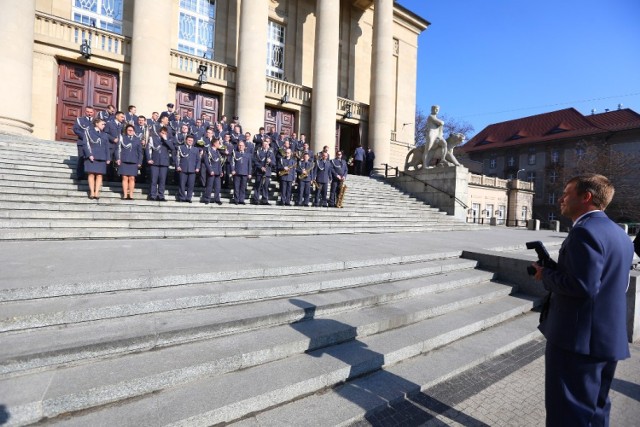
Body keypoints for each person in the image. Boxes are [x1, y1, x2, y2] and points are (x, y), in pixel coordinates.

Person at [531, 174, 634, 427]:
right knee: (596, 410)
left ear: (586, 197)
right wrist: (557, 269)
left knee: (568, 413)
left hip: (577, 341)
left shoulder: (584, 232)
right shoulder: (619, 234)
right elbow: (598, 279)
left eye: (567, 193)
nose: (562, 198)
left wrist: (545, 274)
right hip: (605, 338)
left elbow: (583, 286)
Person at [82, 118, 110, 199]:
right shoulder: (89, 132)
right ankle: (92, 192)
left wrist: (108, 158)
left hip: (102, 157)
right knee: (91, 174)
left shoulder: (104, 134)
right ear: (97, 123)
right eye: (102, 124)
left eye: (104, 124)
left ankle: (97, 192)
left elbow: (107, 147)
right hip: (92, 156)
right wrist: (89, 154)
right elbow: (85, 144)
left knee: (99, 175)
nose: (104, 126)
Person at [147, 126, 174, 201]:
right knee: (153, 179)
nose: (163, 134)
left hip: (164, 162)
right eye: (162, 133)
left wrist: (165, 139)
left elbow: (172, 148)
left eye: (165, 133)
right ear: (159, 133)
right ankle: (152, 195)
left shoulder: (168, 140)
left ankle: (161, 195)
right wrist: (149, 159)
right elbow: (148, 148)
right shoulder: (153, 138)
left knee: (162, 180)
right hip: (154, 161)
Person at [116, 124, 143, 200]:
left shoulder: (137, 140)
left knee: (132, 178)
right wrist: (118, 158)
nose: (130, 132)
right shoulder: (122, 138)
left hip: (134, 161)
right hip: (124, 160)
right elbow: (117, 149)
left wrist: (140, 162)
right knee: (124, 178)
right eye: (129, 130)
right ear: (126, 131)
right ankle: (125, 195)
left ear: (134, 131)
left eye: (132, 130)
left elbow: (140, 152)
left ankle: (130, 195)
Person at [175, 135, 200, 203]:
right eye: (189, 140)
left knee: (191, 185)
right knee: (182, 184)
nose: (190, 142)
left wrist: (197, 167)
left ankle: (189, 197)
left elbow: (198, 160)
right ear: (186, 140)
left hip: (192, 169)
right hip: (183, 169)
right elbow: (177, 158)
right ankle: (182, 197)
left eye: (191, 141)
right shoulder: (180, 147)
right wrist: (177, 166)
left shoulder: (196, 149)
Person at [72, 106, 94, 180]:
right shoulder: (80, 120)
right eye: (88, 112)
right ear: (85, 112)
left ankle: (89, 175)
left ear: (93, 113)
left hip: (92, 144)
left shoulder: (95, 121)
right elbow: (76, 129)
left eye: (91, 112)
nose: (89, 114)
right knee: (81, 158)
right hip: (82, 142)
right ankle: (80, 175)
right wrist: (85, 137)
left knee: (90, 159)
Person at [252, 138, 275, 205]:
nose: (265, 145)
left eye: (266, 144)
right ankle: (256, 200)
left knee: (265, 187)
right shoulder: (258, 152)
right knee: (258, 186)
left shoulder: (271, 153)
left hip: (267, 173)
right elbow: (255, 161)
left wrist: (270, 162)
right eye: (264, 144)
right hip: (259, 172)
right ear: (262, 145)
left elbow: (274, 163)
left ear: (268, 145)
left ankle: (264, 200)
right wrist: (261, 167)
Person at [202, 138, 224, 205]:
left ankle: (217, 199)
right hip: (211, 172)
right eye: (218, 143)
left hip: (217, 171)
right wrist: (210, 170)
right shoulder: (208, 151)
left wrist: (221, 171)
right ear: (214, 143)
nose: (219, 144)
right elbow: (206, 162)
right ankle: (207, 199)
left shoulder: (217, 152)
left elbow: (219, 163)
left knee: (218, 187)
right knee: (209, 186)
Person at [230, 140, 252, 204]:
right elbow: (232, 162)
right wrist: (232, 170)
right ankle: (236, 200)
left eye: (242, 145)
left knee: (243, 187)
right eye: (239, 145)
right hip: (237, 172)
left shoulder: (248, 155)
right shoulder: (235, 153)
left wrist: (249, 173)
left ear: (244, 146)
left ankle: (241, 200)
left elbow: (249, 165)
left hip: (245, 173)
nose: (240, 147)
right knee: (236, 187)